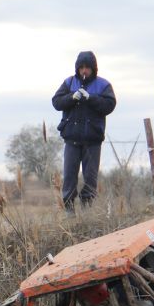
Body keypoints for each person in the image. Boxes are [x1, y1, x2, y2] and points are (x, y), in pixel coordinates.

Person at [52, 51, 117, 214]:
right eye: (81, 67)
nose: (84, 71)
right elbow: (56, 102)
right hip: (71, 139)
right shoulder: (69, 83)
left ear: (93, 68)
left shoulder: (103, 85)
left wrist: (91, 98)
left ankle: (87, 211)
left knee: (90, 178)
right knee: (69, 177)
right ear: (77, 68)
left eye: (87, 67)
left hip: (93, 141)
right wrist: (71, 97)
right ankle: (69, 211)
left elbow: (109, 105)